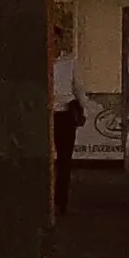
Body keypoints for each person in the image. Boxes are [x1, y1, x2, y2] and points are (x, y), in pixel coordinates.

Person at [50, 41, 85, 214]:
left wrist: (82, 107)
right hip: (46, 113)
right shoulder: (40, 61)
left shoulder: (69, 62)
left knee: (64, 159)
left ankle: (60, 201)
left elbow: (77, 86)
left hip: (64, 114)